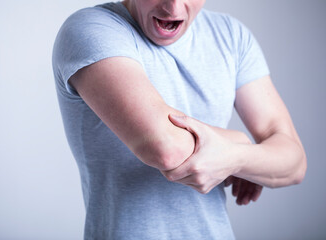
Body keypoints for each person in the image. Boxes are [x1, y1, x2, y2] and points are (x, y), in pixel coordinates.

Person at [52, 0, 307, 239]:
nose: (172, 7)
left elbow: (294, 164)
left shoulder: (231, 36)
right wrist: (243, 143)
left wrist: (236, 158)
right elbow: (167, 149)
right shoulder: (92, 29)